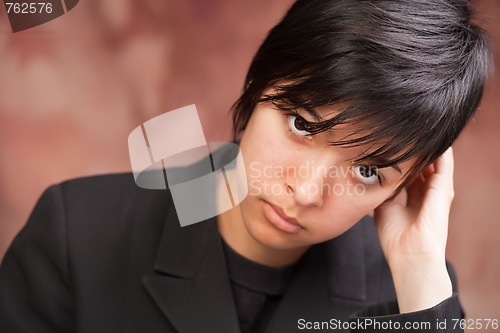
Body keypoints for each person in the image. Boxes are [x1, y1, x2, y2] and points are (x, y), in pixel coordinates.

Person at [0, 0, 490, 332]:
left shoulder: (412, 292)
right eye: (302, 124)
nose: (306, 191)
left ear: (405, 185)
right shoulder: (78, 232)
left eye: (368, 172)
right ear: (261, 85)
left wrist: (420, 275)